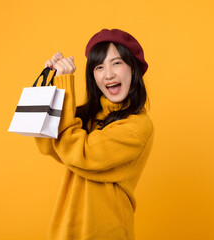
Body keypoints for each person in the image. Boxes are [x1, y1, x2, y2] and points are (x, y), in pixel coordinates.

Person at [35, 28, 154, 240]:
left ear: (133, 69)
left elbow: (82, 153)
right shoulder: (88, 116)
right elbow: (50, 145)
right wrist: (53, 86)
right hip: (67, 229)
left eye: (117, 63)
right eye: (99, 66)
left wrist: (65, 86)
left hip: (106, 232)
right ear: (93, 76)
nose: (108, 74)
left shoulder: (137, 127)